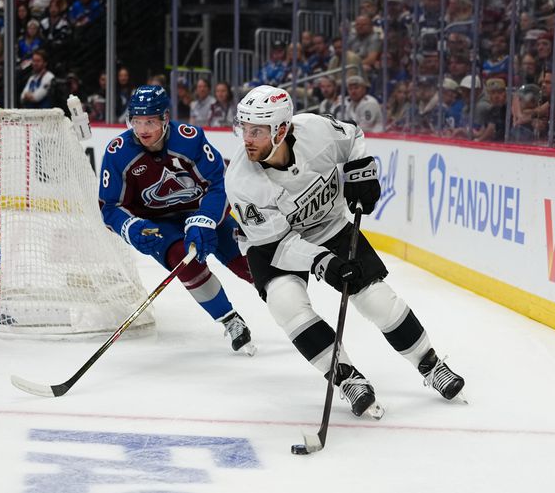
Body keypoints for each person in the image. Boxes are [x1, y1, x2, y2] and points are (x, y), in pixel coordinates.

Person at [225, 85, 466, 417]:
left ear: (281, 130)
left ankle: (430, 364)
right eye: (244, 128)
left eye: (257, 131)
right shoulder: (241, 180)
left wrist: (361, 173)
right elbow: (279, 245)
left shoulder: (315, 131)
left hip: (330, 226)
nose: (247, 139)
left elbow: (353, 137)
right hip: (274, 245)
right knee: (285, 303)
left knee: (377, 299)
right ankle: (347, 378)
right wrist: (325, 263)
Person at [98, 85, 255, 354]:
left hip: (201, 212)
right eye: (137, 121)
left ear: (165, 119)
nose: (143, 129)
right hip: (159, 225)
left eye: (150, 121)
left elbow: (220, 182)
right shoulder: (118, 153)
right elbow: (109, 206)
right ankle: (229, 319)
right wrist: (131, 227)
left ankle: (286, 302)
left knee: (245, 262)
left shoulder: (189, 139)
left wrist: (205, 219)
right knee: (184, 260)